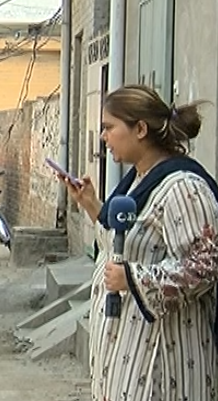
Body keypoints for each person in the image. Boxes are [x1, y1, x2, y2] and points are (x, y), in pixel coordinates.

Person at [57, 85, 218, 401]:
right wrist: (91, 204)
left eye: (109, 127)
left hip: (164, 362)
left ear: (140, 129)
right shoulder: (135, 182)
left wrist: (133, 278)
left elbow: (206, 266)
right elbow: (123, 245)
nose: (103, 137)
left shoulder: (184, 188)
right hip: (127, 354)